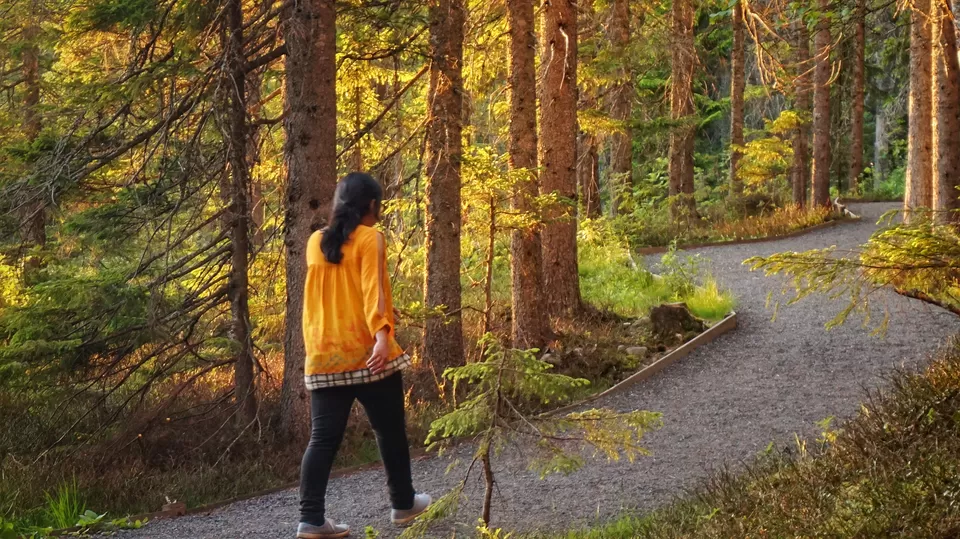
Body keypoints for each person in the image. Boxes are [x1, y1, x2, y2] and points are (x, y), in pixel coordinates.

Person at [297, 172, 430, 539]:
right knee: (389, 431)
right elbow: (374, 290)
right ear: (372, 206)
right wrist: (383, 335)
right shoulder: (371, 238)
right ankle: (403, 504)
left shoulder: (314, 242)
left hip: (324, 355)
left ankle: (311, 520)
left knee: (322, 439)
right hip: (368, 351)